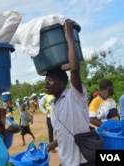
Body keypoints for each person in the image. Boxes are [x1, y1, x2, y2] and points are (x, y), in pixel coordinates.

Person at [46, 20, 90, 165]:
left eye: (50, 80)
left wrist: (68, 34)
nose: (46, 83)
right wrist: (48, 147)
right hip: (65, 162)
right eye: (45, 79)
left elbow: (74, 69)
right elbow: (64, 135)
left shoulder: (75, 95)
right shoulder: (53, 106)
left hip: (83, 161)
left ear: (63, 83)